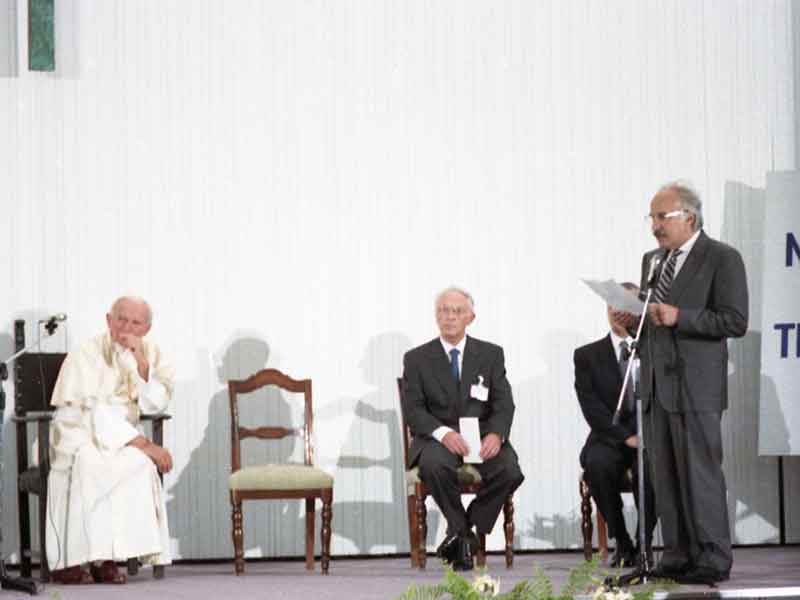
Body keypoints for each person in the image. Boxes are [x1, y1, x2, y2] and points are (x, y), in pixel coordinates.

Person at [619, 182, 748, 584]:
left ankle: (712, 557)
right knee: (665, 475)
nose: (655, 226)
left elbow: (734, 321)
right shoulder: (652, 260)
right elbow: (653, 315)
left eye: (663, 217)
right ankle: (676, 554)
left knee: (700, 473)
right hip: (658, 384)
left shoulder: (722, 258)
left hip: (697, 386)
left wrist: (681, 317)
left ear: (689, 217)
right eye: (652, 218)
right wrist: (634, 316)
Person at [46, 296, 174, 584]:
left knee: (137, 466)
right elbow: (92, 412)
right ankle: (73, 560)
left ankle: (108, 557)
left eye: (136, 322)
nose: (127, 327)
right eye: (121, 319)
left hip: (120, 436)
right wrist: (145, 444)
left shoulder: (152, 353)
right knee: (92, 463)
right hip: (79, 432)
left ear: (147, 328)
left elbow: (155, 405)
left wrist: (141, 362)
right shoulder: (86, 353)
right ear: (108, 320)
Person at [401, 287, 524, 571]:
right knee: (433, 466)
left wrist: (496, 433)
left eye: (457, 311)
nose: (449, 317)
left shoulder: (491, 354)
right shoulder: (417, 358)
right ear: (436, 316)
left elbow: (504, 403)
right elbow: (414, 410)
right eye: (444, 310)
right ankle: (467, 537)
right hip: (436, 439)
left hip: (480, 437)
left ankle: (460, 532)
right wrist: (444, 433)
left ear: (471, 317)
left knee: (510, 470)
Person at [575, 283, 656, 568]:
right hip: (608, 435)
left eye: (625, 306)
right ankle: (622, 542)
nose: (617, 312)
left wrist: (645, 435)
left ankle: (644, 543)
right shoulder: (586, 355)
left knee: (654, 466)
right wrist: (625, 437)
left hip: (651, 435)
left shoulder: (655, 349)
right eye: (612, 305)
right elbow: (592, 408)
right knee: (597, 465)